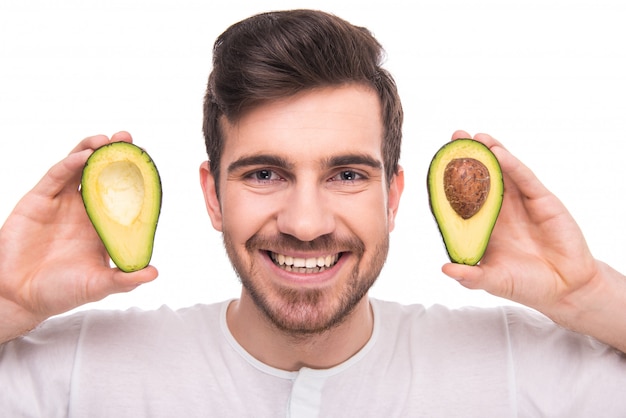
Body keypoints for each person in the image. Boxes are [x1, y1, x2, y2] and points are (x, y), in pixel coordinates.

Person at [1, 8, 625, 417]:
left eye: (347, 174)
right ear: (213, 196)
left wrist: (589, 293)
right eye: (265, 174)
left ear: (394, 197)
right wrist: (7, 302)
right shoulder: (76, 371)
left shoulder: (522, 370)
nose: (306, 223)